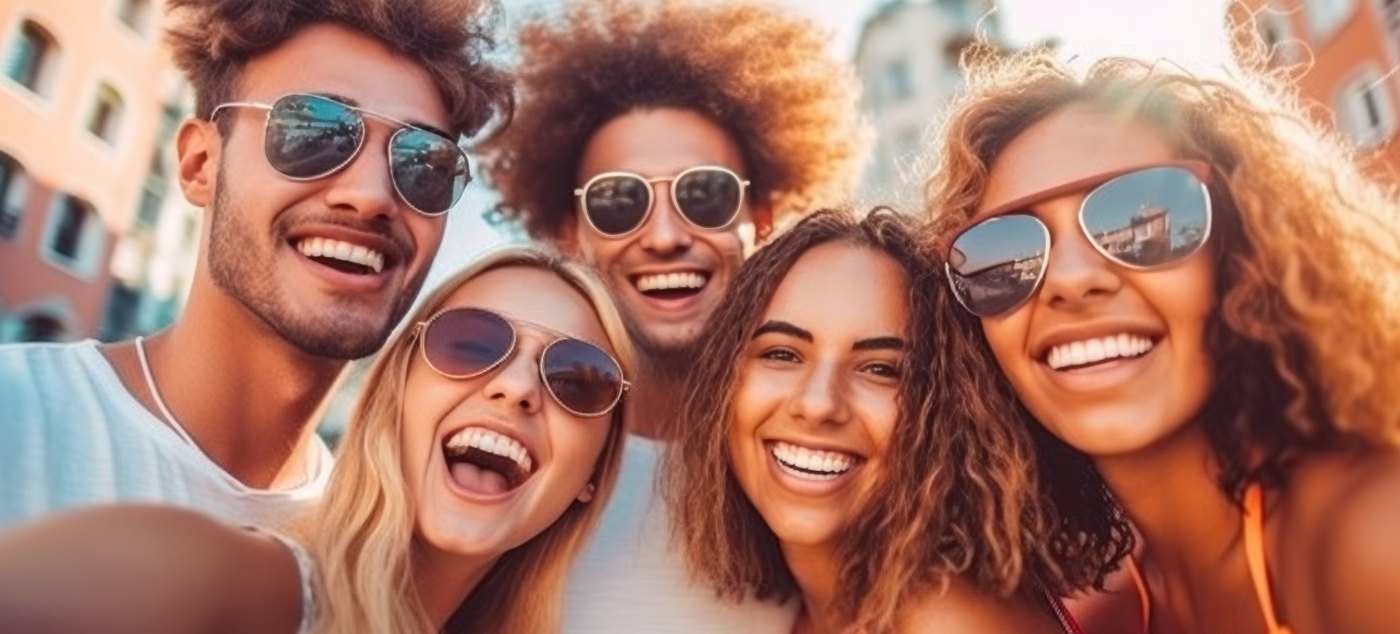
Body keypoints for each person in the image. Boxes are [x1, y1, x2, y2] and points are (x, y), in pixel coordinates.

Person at [924, 47, 1400, 634]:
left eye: (1138, 221)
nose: (1071, 281)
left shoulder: (1373, 536)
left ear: (1244, 249)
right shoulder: (1106, 615)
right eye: (1008, 251)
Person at [0, 0, 511, 529]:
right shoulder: (17, 418)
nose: (370, 195)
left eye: (423, 162)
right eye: (313, 131)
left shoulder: (370, 560)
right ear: (200, 165)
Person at [0, 246, 635, 634]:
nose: (519, 388)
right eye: (469, 342)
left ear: (593, 472)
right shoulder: (234, 583)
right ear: (394, 398)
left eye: (579, 379)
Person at [476, 0, 867, 630]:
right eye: (618, 201)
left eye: (704, 195)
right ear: (574, 235)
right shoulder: (511, 448)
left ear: (760, 220)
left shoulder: (817, 453)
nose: (662, 236)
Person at [663, 208, 1125, 634]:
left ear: (948, 412)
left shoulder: (953, 621)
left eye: (881, 369)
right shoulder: (801, 608)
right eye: (782, 354)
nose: (819, 404)